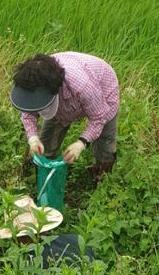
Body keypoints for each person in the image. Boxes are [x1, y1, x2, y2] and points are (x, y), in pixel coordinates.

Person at [10, 51, 119, 180]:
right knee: (45, 145)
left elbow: (99, 118)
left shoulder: (82, 86)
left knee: (104, 141)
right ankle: (47, 175)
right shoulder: (32, 83)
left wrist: (81, 143)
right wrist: (33, 139)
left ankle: (102, 176)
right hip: (67, 92)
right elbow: (28, 111)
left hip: (103, 87)